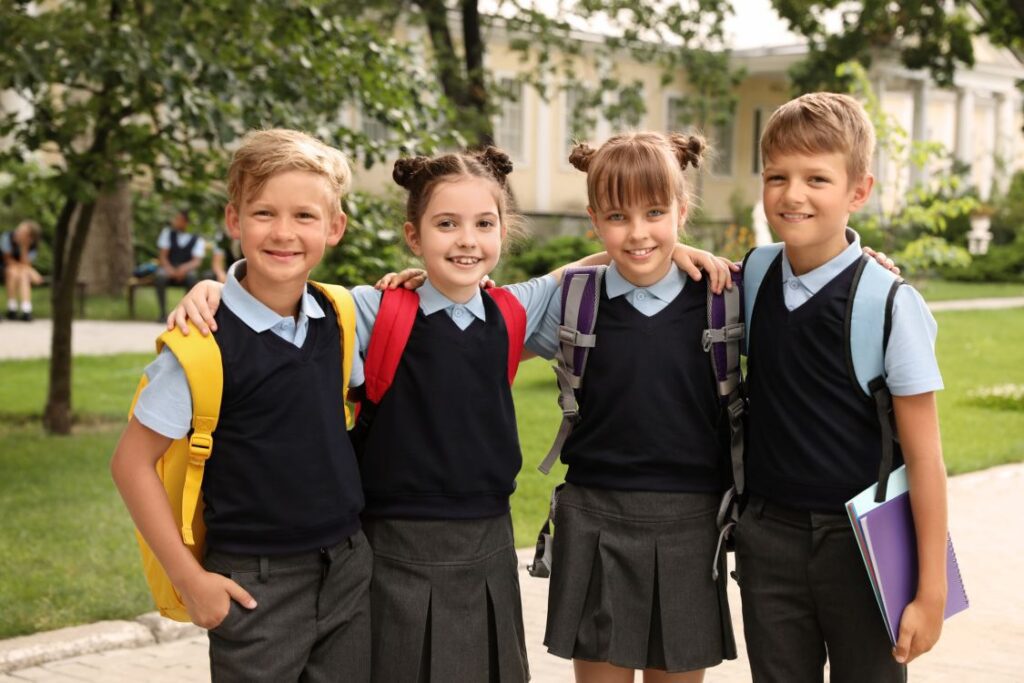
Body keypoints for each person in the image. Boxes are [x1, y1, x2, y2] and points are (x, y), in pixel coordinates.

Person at [166, 145, 733, 682]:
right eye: (446, 225)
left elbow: (616, 258)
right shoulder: (368, 310)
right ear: (413, 235)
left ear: (503, 233)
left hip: (486, 543)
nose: (466, 241)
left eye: (484, 225)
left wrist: (676, 247)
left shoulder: (514, 307)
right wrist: (215, 288)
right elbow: (285, 288)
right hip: (390, 547)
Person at [110, 129, 372, 682]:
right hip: (255, 583)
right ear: (234, 221)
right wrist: (190, 580)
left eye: (305, 216)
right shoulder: (201, 343)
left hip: (348, 566)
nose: (283, 232)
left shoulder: (342, 313)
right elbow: (130, 464)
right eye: (263, 213)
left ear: (335, 227)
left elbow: (446, 290)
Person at [734, 92, 948, 682]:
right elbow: (658, 259)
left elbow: (927, 459)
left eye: (817, 178)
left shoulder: (890, 303)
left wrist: (930, 591)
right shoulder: (751, 276)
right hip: (768, 541)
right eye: (777, 176)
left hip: (865, 548)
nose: (792, 194)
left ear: (858, 191)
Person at [523, 132, 739, 683]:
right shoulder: (574, 300)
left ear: (682, 211)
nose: (638, 233)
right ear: (594, 221)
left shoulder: (724, 296)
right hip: (595, 520)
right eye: (618, 217)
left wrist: (872, 259)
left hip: (692, 525)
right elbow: (480, 309)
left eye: (656, 213)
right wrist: (420, 282)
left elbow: (806, 285)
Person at [154, 209, 205, 320]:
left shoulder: (197, 238)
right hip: (169, 267)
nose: (174, 221)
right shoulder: (167, 233)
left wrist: (183, 269)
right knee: (160, 277)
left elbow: (197, 261)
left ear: (185, 222)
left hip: (186, 269)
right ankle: (163, 313)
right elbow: (163, 256)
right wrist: (170, 269)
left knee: (192, 278)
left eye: (178, 219)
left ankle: (186, 313)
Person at [1, 220, 43, 321]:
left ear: (29, 236)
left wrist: (24, 247)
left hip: (19, 271)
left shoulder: (32, 246)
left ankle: (24, 309)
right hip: (4, 267)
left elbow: (26, 263)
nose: (18, 232)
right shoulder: (7, 237)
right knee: (13, 271)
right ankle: (15, 308)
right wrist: (32, 272)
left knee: (23, 274)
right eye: (19, 229)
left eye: (23, 231)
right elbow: (7, 260)